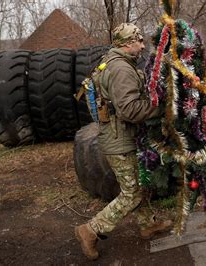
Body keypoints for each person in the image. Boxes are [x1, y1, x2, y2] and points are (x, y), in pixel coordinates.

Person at [74, 23, 172, 260]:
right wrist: (161, 108)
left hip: (120, 136)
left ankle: (148, 224)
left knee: (140, 185)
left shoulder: (113, 62)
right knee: (132, 193)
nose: (141, 46)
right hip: (120, 141)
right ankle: (91, 230)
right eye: (138, 41)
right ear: (128, 43)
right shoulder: (121, 69)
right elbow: (129, 109)